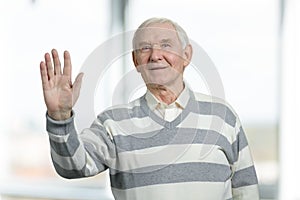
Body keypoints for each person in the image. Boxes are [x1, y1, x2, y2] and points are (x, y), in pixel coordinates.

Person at [40, 17, 259, 199]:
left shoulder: (223, 117)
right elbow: (71, 167)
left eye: (166, 45)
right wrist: (60, 117)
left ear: (187, 55)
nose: (155, 55)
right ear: (136, 61)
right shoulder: (112, 124)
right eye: (145, 48)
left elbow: (246, 192)